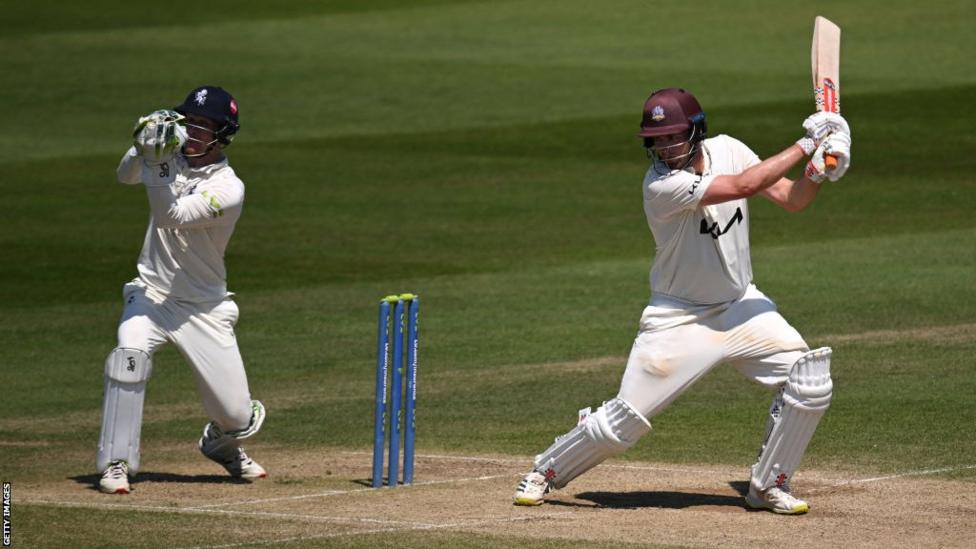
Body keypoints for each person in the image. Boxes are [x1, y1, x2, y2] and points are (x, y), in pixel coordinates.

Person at [513, 88, 851, 514]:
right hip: (680, 318)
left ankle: (768, 486)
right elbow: (745, 185)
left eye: (672, 137)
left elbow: (792, 199)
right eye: (655, 140)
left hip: (741, 307)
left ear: (696, 130)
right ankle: (544, 470)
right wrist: (809, 143)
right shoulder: (661, 186)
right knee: (623, 424)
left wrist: (818, 170)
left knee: (810, 381)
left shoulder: (729, 148)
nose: (663, 148)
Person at [96, 85, 267, 494]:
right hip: (151, 296)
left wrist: (156, 165)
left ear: (223, 134)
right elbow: (125, 176)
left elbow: (170, 215)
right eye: (188, 121)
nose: (191, 131)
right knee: (128, 357)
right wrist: (142, 148)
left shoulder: (229, 189)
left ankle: (222, 443)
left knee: (238, 416)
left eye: (204, 126)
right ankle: (116, 463)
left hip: (204, 307)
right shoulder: (166, 155)